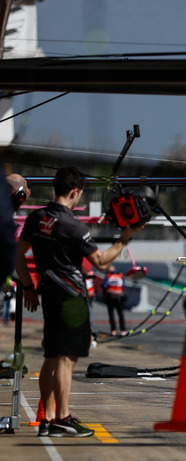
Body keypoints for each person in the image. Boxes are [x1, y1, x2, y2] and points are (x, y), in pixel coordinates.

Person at [16, 166, 144, 438]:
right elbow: (99, 261)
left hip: (48, 293)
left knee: (51, 356)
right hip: (72, 297)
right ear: (75, 192)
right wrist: (124, 240)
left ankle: (48, 419)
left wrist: (27, 286)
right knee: (67, 359)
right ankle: (62, 417)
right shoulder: (74, 227)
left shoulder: (36, 218)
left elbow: (17, 254)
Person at [103, 264, 126, 336]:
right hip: (119, 296)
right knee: (120, 314)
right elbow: (123, 285)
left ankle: (113, 330)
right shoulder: (120, 275)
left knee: (111, 314)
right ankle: (123, 330)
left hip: (111, 296)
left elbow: (104, 285)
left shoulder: (108, 276)